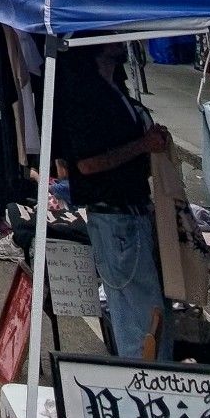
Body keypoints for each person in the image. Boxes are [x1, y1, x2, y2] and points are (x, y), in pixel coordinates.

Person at [53, 45, 172, 361]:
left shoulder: (113, 88)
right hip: (115, 215)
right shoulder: (84, 97)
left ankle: (155, 378)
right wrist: (143, 145)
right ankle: (145, 387)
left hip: (133, 210)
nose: (121, 38)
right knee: (138, 316)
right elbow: (87, 164)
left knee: (150, 308)